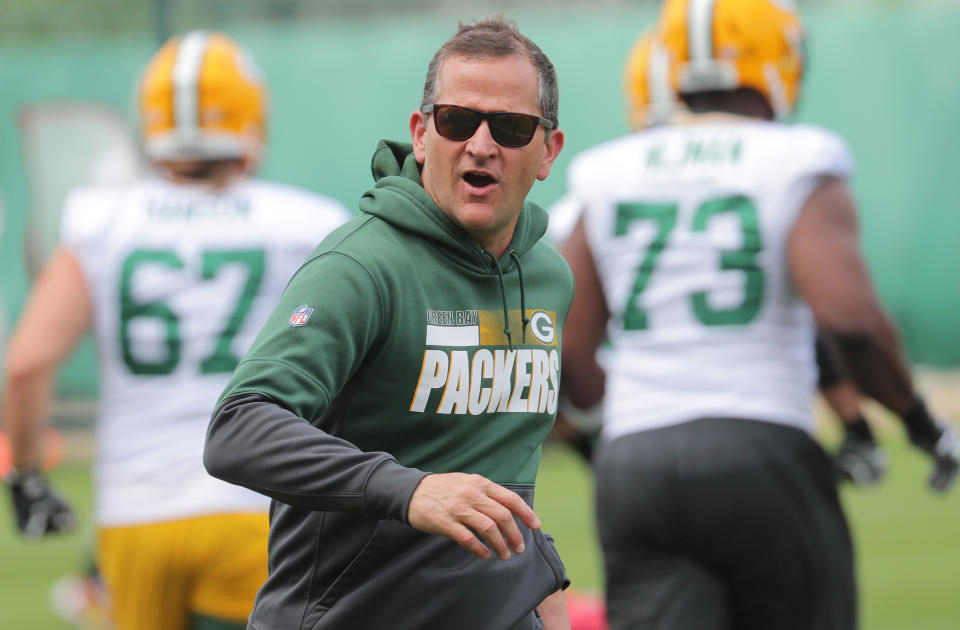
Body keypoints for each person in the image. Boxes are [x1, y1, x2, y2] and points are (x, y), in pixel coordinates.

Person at [558, 1, 959, 629]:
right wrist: (916, 419)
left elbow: (569, 346)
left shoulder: (605, 171)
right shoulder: (795, 157)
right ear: (777, 59)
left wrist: (636, 428)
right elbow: (850, 320)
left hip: (635, 468)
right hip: (759, 445)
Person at [203, 17, 572, 630]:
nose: (481, 144)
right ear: (421, 135)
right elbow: (236, 427)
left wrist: (538, 573)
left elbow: (502, 460)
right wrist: (408, 489)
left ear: (547, 152)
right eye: (458, 120)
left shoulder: (550, 277)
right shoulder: (360, 266)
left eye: (509, 127)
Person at [3, 30, 350, 630]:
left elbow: (27, 363)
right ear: (252, 115)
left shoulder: (103, 218)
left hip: (136, 516)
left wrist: (27, 475)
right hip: (258, 501)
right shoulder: (307, 223)